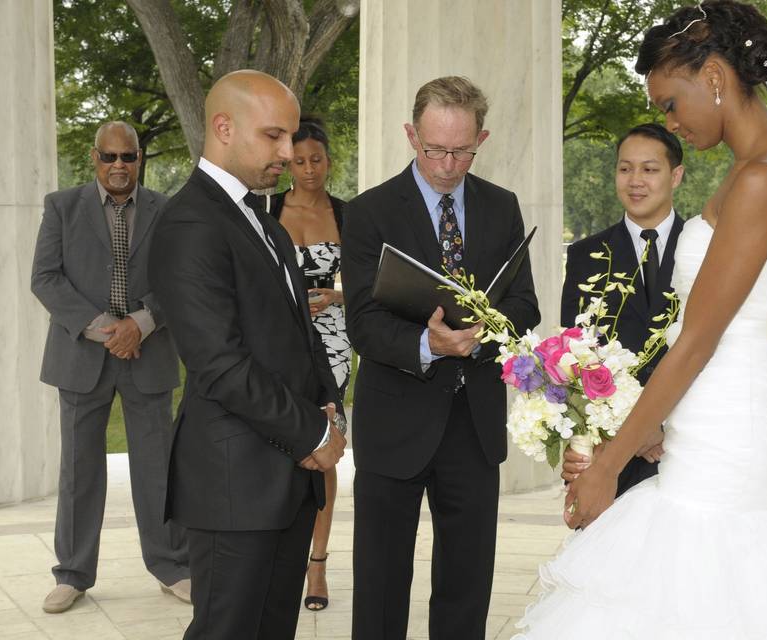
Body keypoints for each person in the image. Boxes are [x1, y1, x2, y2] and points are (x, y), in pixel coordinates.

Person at [516, 2, 767, 637]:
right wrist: (654, 427)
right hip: (719, 412)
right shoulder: (757, 167)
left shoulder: (763, 179)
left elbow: (700, 339)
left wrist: (607, 466)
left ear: (713, 76)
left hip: (731, 427)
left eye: (669, 103)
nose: (669, 121)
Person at [148, 70, 347, 640]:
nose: (289, 152)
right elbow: (220, 364)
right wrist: (311, 433)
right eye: (274, 136)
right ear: (223, 127)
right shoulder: (189, 223)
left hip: (286, 476)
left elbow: (302, 335)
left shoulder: (263, 220)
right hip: (234, 482)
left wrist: (329, 407)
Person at [342, 76, 540, 640]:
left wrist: (486, 332)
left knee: (467, 581)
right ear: (411, 134)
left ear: (482, 138)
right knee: (380, 583)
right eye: (435, 150)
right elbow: (363, 322)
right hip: (394, 423)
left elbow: (525, 304)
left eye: (462, 151)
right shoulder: (368, 213)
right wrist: (430, 344)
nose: (448, 164)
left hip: (473, 425)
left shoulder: (502, 207)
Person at [31, 121, 189, 614]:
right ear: (93, 158)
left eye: (128, 157)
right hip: (82, 356)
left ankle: (172, 567)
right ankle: (72, 574)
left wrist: (139, 324)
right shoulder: (62, 207)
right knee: (78, 471)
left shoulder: (167, 210)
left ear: (141, 158)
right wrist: (106, 328)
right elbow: (46, 279)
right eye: (109, 157)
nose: (119, 166)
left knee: (158, 469)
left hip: (148, 352)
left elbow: (181, 278)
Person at [560, 123, 686, 497]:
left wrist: (659, 424)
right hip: (610, 451)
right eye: (624, 168)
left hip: (687, 442)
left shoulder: (704, 248)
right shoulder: (584, 256)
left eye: (649, 169)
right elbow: (574, 358)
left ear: (675, 175)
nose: (635, 181)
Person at [267, 116, 350, 612]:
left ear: (328, 160)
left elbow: (370, 281)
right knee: (279, 446)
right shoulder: (268, 208)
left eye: (316, 159)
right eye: (298, 162)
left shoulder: (348, 213)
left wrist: (337, 295)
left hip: (333, 343)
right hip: (280, 340)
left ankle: (316, 565)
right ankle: (279, 554)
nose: (309, 169)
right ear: (287, 165)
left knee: (325, 445)